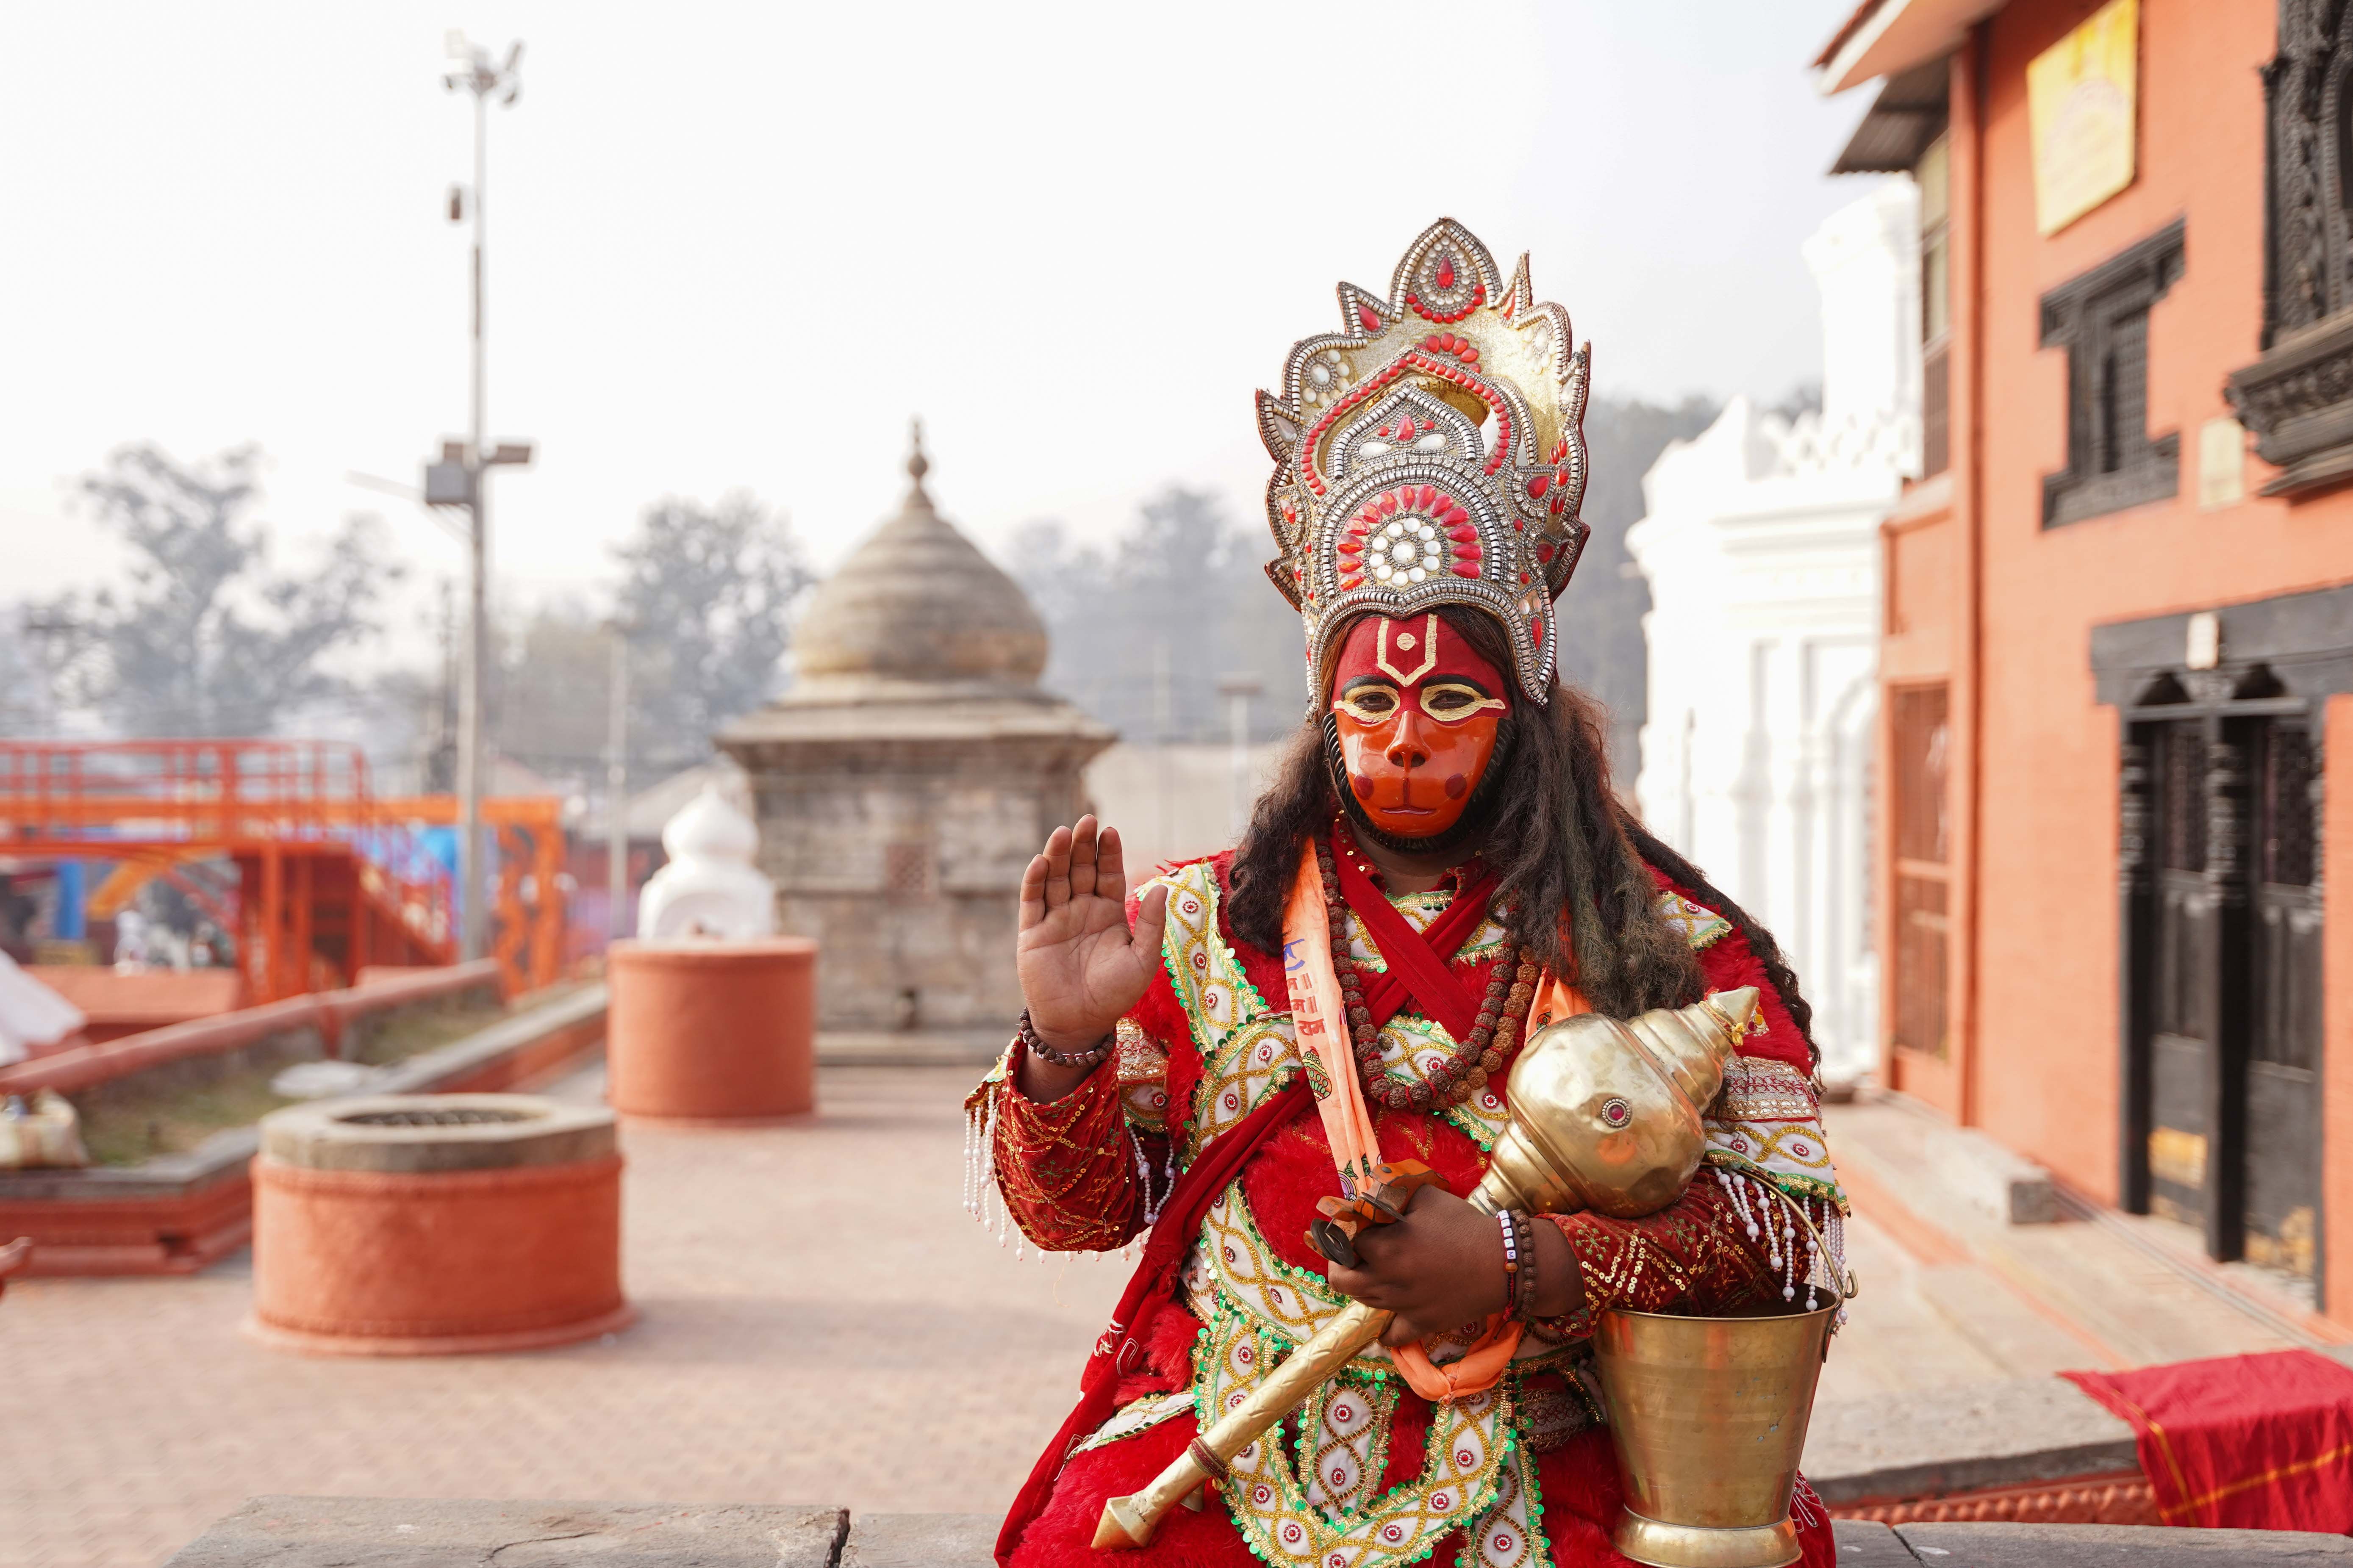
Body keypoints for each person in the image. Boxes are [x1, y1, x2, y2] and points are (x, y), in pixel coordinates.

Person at [968, 221, 1848, 1568]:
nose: (1402, 739)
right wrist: (1067, 1044)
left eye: (1449, 698)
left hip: (1550, 1427)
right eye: (1367, 701)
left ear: (1528, 710)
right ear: (1323, 711)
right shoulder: (1198, 926)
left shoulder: (1667, 944)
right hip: (1231, 1425)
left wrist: (1522, 1267)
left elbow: (1787, 1235)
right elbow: (1075, 1220)